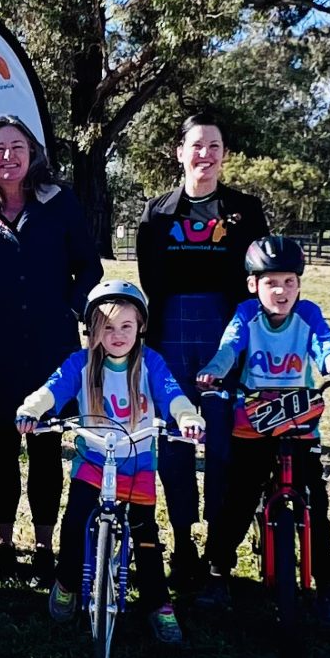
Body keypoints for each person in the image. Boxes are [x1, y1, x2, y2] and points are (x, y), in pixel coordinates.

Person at [0, 114, 102, 587]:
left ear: (32, 154)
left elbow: (87, 268)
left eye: (16, 147)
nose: (7, 157)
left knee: (48, 450)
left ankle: (45, 549)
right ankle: (4, 546)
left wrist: (72, 309)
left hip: (50, 349)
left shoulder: (59, 202)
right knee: (0, 450)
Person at [195, 236, 330, 628]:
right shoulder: (245, 314)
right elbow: (229, 348)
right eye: (271, 282)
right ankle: (217, 575)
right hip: (254, 421)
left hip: (299, 421)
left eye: (289, 282)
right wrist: (215, 370)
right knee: (238, 502)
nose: (281, 291)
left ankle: (327, 588)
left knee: (318, 508)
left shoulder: (308, 314)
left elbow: (328, 349)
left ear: (300, 285)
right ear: (253, 285)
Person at [15, 281, 205, 645]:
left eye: (126, 326)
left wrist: (187, 417)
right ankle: (68, 582)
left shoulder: (152, 363)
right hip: (93, 460)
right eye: (107, 326)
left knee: (146, 537)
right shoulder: (81, 363)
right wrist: (32, 408)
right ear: (92, 329)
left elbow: (173, 395)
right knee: (73, 527)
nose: (117, 335)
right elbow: (52, 389)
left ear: (141, 327)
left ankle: (158, 604)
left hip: (138, 466)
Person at [136, 112, 269, 586]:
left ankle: (219, 547)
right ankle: (182, 539)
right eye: (196, 146)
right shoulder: (157, 214)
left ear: (224, 154)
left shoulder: (246, 211)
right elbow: (151, 282)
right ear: (180, 152)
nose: (205, 156)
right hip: (171, 332)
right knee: (175, 441)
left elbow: (258, 280)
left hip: (227, 333)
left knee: (222, 442)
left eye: (214, 146)